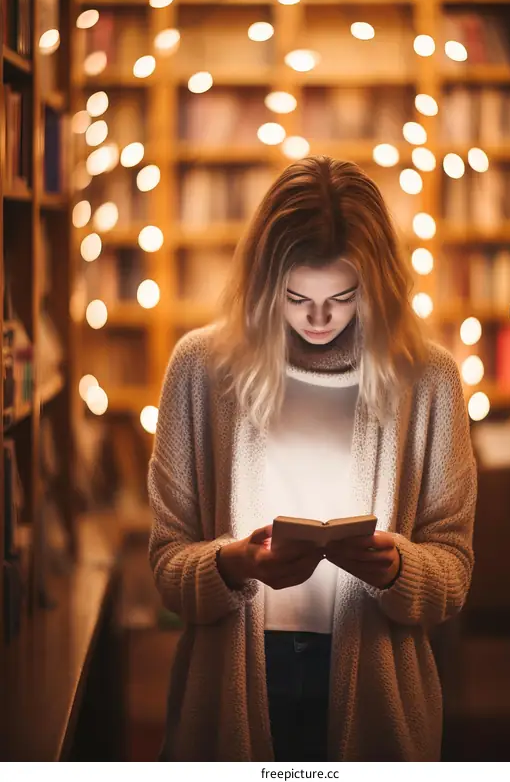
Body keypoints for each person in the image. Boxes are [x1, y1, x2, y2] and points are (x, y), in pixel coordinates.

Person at [148, 155, 478, 761]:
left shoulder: (428, 381)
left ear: (376, 286)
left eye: (343, 297)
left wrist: (397, 569)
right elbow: (167, 564)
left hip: (379, 690)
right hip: (233, 686)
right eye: (297, 297)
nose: (319, 319)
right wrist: (231, 564)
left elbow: (454, 573)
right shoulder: (201, 370)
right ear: (262, 282)